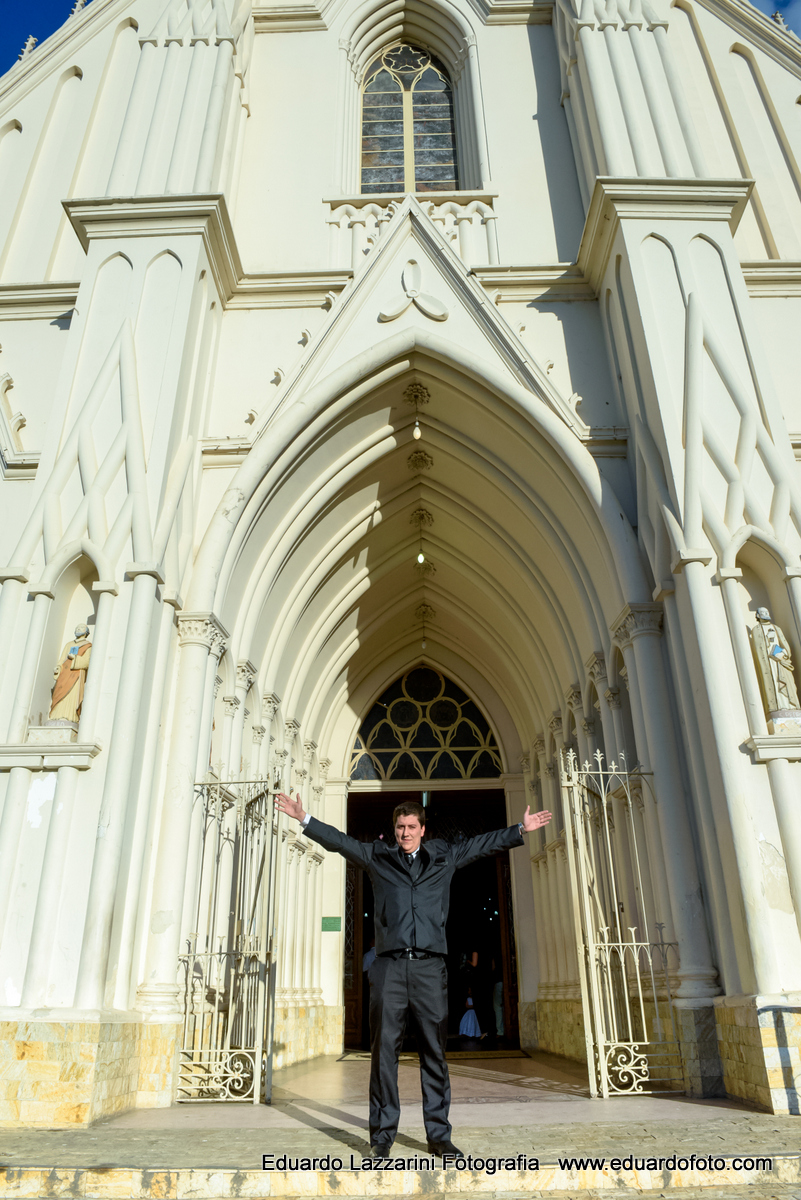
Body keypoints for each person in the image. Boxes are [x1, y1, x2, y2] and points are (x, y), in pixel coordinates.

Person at [274, 791, 551, 1159]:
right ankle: (382, 1137)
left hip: (429, 969)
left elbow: (480, 845)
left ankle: (439, 1137)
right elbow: (340, 842)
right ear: (395, 830)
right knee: (384, 1053)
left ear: (423, 829)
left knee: (434, 1053)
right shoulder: (378, 857)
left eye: (411, 827)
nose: (405, 833)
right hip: (388, 968)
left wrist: (520, 829)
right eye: (400, 827)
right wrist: (304, 818)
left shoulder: (443, 856)